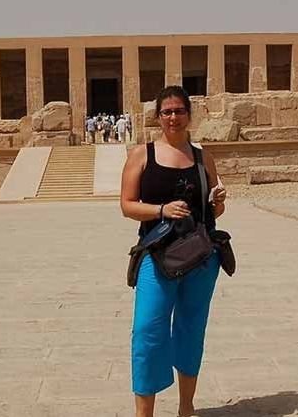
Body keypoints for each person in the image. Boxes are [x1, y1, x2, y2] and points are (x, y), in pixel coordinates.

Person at [120, 85, 227, 417]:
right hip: (157, 254)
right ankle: (144, 414)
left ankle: (186, 407)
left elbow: (213, 211)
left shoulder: (202, 157)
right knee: (147, 331)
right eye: (166, 112)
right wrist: (161, 210)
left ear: (189, 115)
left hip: (200, 258)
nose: (173, 117)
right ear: (158, 116)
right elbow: (127, 205)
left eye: (179, 111)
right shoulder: (142, 155)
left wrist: (218, 201)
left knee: (191, 330)